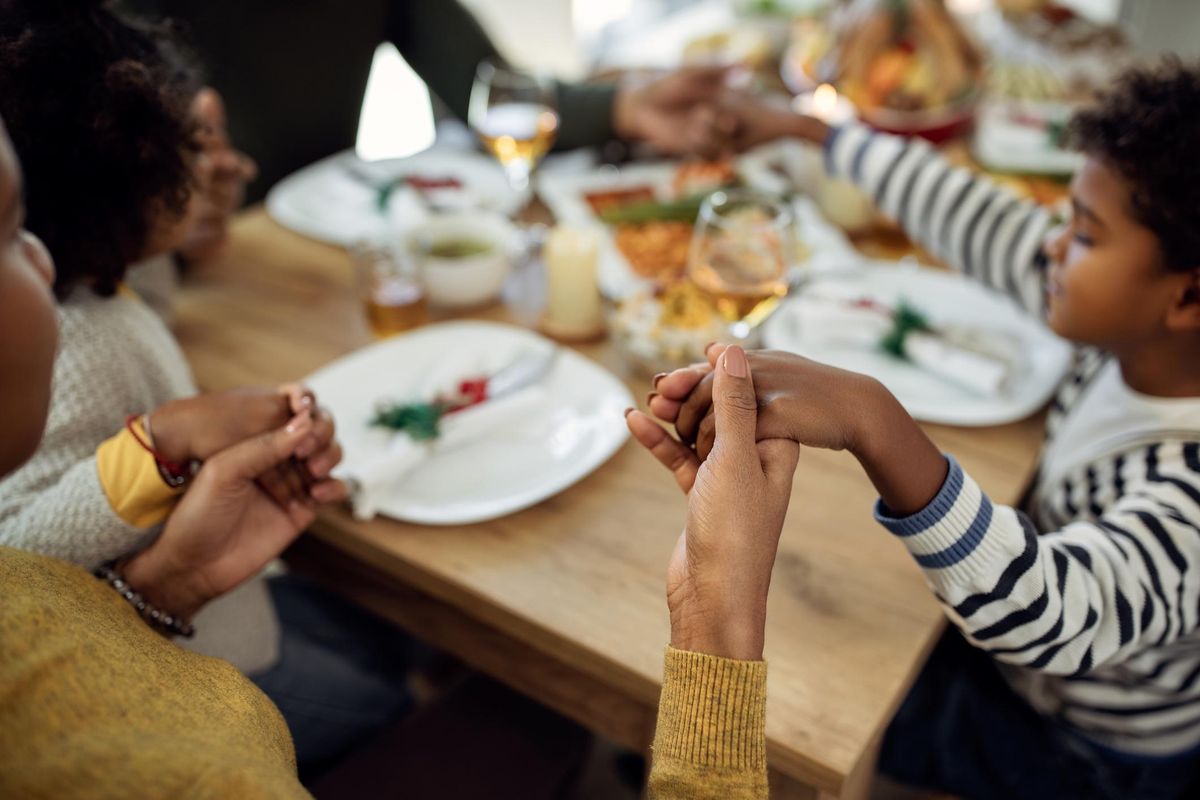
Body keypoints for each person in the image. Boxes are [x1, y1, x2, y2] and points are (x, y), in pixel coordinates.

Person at [0, 112, 787, 798]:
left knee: (386, 645)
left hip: (202, 612)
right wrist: (718, 620)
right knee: (533, 715)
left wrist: (165, 586)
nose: (39, 258)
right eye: (6, 230)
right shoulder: (179, 776)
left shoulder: (29, 603)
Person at [639, 59, 1200, 798]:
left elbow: (1055, 614)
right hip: (1020, 655)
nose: (1053, 246)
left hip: (1083, 743)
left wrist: (874, 419)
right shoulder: (1133, 329)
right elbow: (974, 214)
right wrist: (806, 130)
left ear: (1187, 295)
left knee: (826, 711)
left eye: (1086, 235)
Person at [0, 1, 414, 777]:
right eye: (185, 146)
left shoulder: (93, 277)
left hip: (203, 603)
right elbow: (22, 555)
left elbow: (138, 284)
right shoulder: (75, 351)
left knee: (376, 638)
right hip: (197, 665)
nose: (210, 159)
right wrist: (151, 452)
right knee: (382, 700)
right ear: (129, 177)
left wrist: (183, 216)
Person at [120, 0, 738, 202]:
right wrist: (172, 227)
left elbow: (486, 86)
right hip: (172, 288)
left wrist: (626, 107)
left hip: (333, 251)